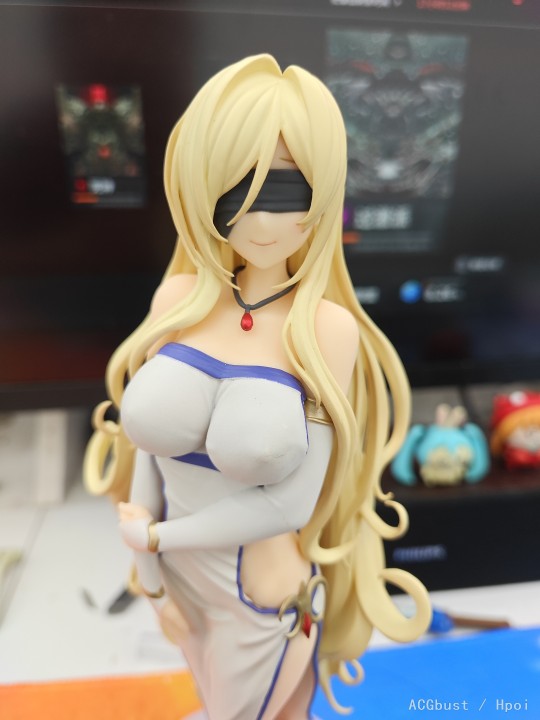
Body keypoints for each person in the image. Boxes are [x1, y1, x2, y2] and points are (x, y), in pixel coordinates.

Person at [84, 54, 431, 720]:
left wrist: (157, 542)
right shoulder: (179, 298)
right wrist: (152, 578)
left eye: (287, 191)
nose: (263, 222)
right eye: (234, 192)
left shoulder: (326, 329)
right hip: (176, 579)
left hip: (258, 593)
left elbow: (290, 505)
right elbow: (150, 453)